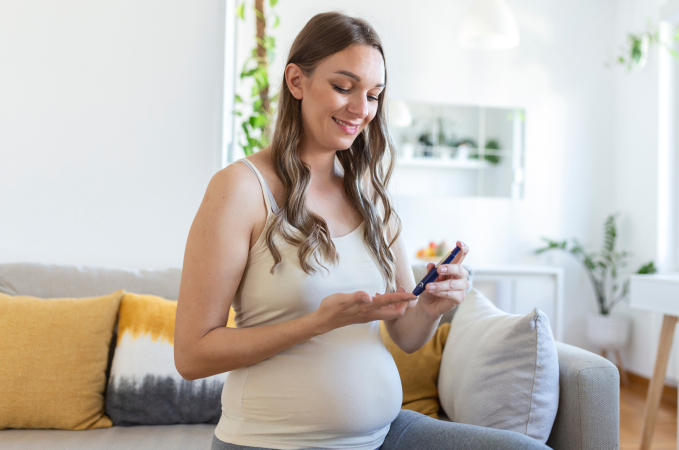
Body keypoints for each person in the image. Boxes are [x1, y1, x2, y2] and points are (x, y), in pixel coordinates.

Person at [174, 11, 549, 450]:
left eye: (373, 95)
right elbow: (192, 355)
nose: (361, 110)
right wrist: (316, 323)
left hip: (383, 435)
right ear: (296, 81)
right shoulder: (240, 189)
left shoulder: (371, 196)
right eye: (342, 87)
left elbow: (406, 337)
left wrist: (430, 305)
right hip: (273, 441)